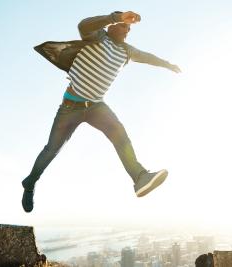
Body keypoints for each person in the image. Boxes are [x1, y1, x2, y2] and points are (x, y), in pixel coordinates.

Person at [21, 10, 181, 213]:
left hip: (96, 106)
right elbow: (83, 26)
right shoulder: (97, 37)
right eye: (124, 26)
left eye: (129, 29)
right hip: (71, 107)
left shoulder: (126, 51)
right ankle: (30, 183)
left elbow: (147, 57)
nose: (127, 30)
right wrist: (116, 17)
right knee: (51, 150)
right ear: (111, 26)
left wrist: (168, 65)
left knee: (120, 137)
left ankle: (140, 177)